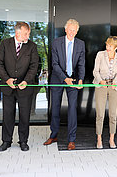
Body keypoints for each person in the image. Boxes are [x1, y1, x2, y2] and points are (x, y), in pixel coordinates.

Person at [0, 22, 39, 151]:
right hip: (8, 87)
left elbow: (34, 66)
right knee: (7, 115)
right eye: (26, 33)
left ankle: (23, 141)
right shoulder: (5, 44)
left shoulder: (32, 46)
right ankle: (6, 141)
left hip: (25, 87)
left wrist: (26, 81)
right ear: (17, 33)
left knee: (25, 116)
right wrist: (7, 79)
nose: (28, 35)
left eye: (29, 33)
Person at [43, 19, 85, 150]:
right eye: (70, 29)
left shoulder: (80, 44)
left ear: (77, 31)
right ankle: (54, 135)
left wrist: (80, 80)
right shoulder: (56, 42)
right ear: (65, 30)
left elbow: (81, 64)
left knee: (72, 109)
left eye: (74, 30)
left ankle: (71, 139)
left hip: (73, 79)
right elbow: (54, 64)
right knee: (55, 108)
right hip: (57, 78)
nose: (72, 32)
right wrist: (64, 78)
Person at [93, 36, 117, 149]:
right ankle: (99, 139)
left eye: (110, 46)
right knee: (100, 114)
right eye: (107, 45)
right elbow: (95, 71)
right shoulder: (100, 55)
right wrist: (100, 81)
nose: (108, 47)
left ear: (116, 47)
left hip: (114, 87)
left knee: (113, 115)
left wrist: (116, 82)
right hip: (101, 86)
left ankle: (111, 139)